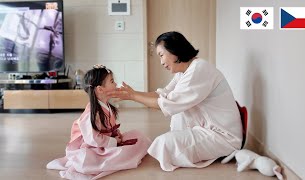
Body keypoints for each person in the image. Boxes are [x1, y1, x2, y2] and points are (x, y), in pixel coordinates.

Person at [108, 31, 243, 171]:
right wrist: (133, 93)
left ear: (174, 50)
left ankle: (231, 153)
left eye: (161, 55)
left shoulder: (198, 70)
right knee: (176, 116)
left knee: (163, 144)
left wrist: (133, 97)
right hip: (207, 128)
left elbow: (165, 104)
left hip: (222, 137)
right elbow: (162, 95)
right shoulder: (185, 71)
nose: (161, 62)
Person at [46, 65, 151, 180]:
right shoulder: (92, 113)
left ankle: (121, 154)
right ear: (100, 89)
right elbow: (92, 138)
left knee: (139, 136)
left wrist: (116, 134)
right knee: (104, 157)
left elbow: (110, 127)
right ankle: (114, 158)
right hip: (91, 146)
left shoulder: (107, 106)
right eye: (112, 81)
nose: (116, 84)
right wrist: (114, 141)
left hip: (106, 141)